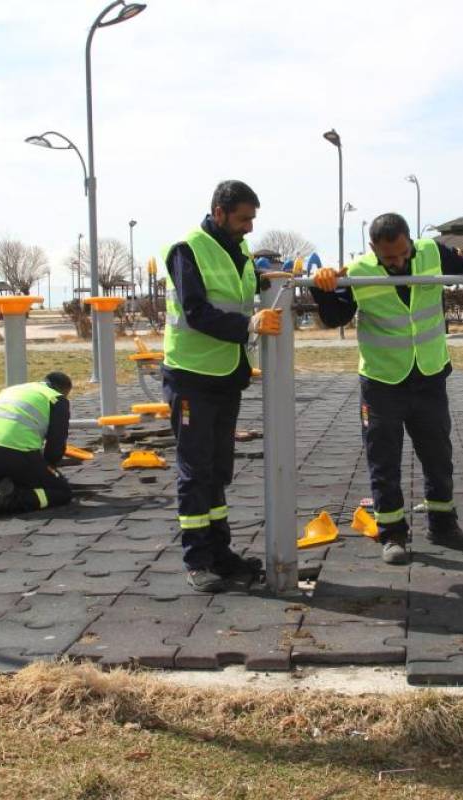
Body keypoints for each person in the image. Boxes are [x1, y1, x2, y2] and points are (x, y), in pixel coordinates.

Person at [309, 213, 463, 564]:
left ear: (410, 240)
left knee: (437, 455)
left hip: (429, 374)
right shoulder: (359, 271)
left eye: (403, 254)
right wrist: (321, 287)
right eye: (389, 258)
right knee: (383, 458)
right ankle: (392, 533)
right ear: (373, 249)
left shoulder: (431, 252)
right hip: (383, 381)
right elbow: (336, 316)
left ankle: (443, 525)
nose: (399, 263)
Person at [162, 179, 279, 592]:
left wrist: (266, 278)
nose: (250, 227)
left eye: (252, 219)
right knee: (196, 471)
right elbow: (195, 311)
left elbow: (240, 286)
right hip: (192, 375)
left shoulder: (239, 250)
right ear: (219, 212)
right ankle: (197, 560)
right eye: (244, 218)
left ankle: (219, 551)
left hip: (226, 374)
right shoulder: (187, 249)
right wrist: (248, 325)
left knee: (217, 469)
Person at [0, 371, 74, 520]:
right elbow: (56, 444)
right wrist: (50, 468)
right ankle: (9, 500)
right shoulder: (56, 399)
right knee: (62, 492)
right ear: (63, 390)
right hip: (15, 456)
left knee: (17, 473)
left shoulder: (11, 390)